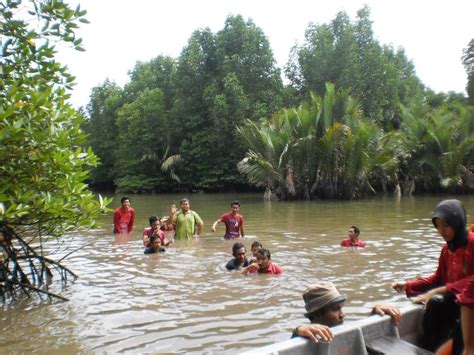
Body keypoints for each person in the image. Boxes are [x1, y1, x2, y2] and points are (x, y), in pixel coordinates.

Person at [392, 199, 474, 353]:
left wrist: (441, 290)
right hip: (453, 302)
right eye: (438, 227)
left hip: (470, 306)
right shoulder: (446, 250)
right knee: (435, 304)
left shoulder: (472, 244)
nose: (442, 231)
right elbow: (437, 278)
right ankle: (428, 348)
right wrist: (409, 285)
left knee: (442, 305)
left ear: (458, 223)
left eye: (446, 226)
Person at [292, 282, 401, 343]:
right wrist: (297, 331)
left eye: (341, 308)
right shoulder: (304, 339)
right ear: (316, 315)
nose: (342, 314)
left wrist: (375, 314)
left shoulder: (345, 332)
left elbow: (363, 335)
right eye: (335, 309)